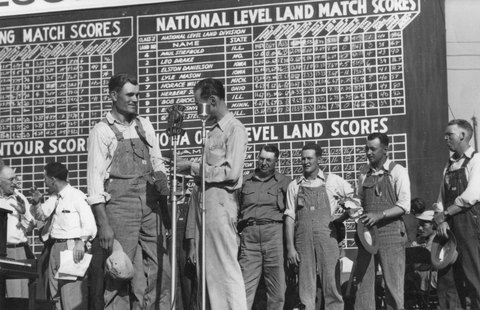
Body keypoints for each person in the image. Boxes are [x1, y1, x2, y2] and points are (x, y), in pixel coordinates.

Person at [86, 73, 170, 310]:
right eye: (129, 94)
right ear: (113, 96)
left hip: (151, 204)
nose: (135, 99)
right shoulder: (101, 131)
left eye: (138, 95)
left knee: (163, 270)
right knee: (119, 273)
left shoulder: (145, 124)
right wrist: (104, 224)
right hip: (120, 208)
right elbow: (94, 183)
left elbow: (157, 161)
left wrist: (162, 180)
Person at [177, 77, 248, 310]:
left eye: (200, 104)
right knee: (208, 272)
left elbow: (232, 172)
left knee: (225, 270)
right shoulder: (212, 132)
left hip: (220, 204)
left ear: (213, 100)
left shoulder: (234, 129)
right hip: (204, 204)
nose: (199, 109)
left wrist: (193, 167)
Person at [284, 143, 357, 310]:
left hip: (328, 237)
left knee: (331, 283)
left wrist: (343, 217)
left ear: (319, 159)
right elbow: (289, 218)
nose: (305, 162)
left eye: (309, 158)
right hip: (302, 240)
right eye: (303, 158)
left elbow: (354, 201)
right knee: (305, 285)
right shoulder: (294, 185)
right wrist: (290, 248)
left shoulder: (333, 181)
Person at [353, 132, 411, 310]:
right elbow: (358, 199)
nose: (368, 152)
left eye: (373, 149)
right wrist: (351, 207)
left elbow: (404, 205)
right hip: (368, 234)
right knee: (363, 283)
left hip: (392, 232)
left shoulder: (397, 171)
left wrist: (380, 215)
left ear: (385, 149)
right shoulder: (364, 172)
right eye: (366, 148)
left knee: (393, 285)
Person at [31, 162, 97, 310]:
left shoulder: (76, 196)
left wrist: (81, 242)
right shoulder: (55, 198)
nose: (44, 182)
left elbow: (90, 224)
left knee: (71, 298)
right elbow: (41, 215)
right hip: (54, 248)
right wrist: (36, 203)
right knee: (56, 299)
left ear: (52, 179)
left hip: (72, 247)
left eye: (45, 178)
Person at [237, 144, 292, 310]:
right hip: (249, 237)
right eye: (261, 158)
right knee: (244, 289)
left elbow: (292, 213)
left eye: (268, 160)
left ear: (276, 161)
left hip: (274, 236)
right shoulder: (244, 182)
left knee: (277, 290)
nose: (264, 163)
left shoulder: (285, 182)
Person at [433, 119, 480, 309]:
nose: (445, 138)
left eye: (449, 135)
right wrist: (441, 219)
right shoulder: (449, 164)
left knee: (474, 277)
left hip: (469, 225)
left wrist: (445, 214)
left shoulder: (476, 160)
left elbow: (471, 196)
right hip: (448, 227)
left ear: (462, 135)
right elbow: (440, 197)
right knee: (447, 279)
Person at [0, 165, 35, 298]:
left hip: (17, 251)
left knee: (19, 298)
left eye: (15, 178)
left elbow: (30, 226)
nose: (15, 183)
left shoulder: (19, 198)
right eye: (11, 179)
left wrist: (25, 212)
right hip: (1, 251)